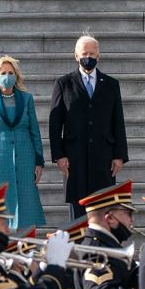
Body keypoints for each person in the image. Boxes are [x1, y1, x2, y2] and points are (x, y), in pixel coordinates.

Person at [49, 35, 129, 219]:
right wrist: (59, 155)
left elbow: (118, 121)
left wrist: (119, 155)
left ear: (99, 56)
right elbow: (55, 124)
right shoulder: (64, 84)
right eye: (85, 53)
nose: (89, 57)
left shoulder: (111, 84)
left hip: (104, 159)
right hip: (74, 159)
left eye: (92, 53)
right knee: (78, 215)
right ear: (76, 56)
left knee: (103, 210)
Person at [0, 55, 46, 229]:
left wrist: (39, 161)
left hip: (25, 157)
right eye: (3, 73)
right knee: (0, 202)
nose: (7, 76)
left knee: (26, 204)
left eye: (10, 72)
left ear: (16, 76)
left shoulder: (26, 98)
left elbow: (34, 131)